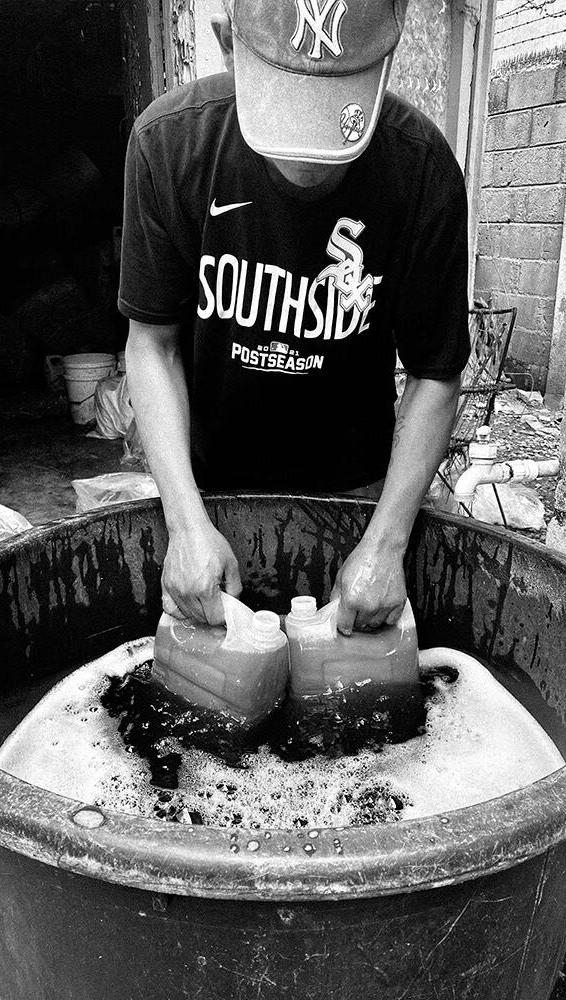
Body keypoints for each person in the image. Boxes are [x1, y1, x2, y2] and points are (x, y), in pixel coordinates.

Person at [120, 0, 468, 636]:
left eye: (334, 104)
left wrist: (387, 545)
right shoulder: (169, 145)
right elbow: (152, 345)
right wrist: (185, 521)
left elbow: (435, 372)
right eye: (289, 96)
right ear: (229, 42)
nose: (309, 164)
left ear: (387, 56)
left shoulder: (422, 170)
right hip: (208, 489)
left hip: (358, 497)